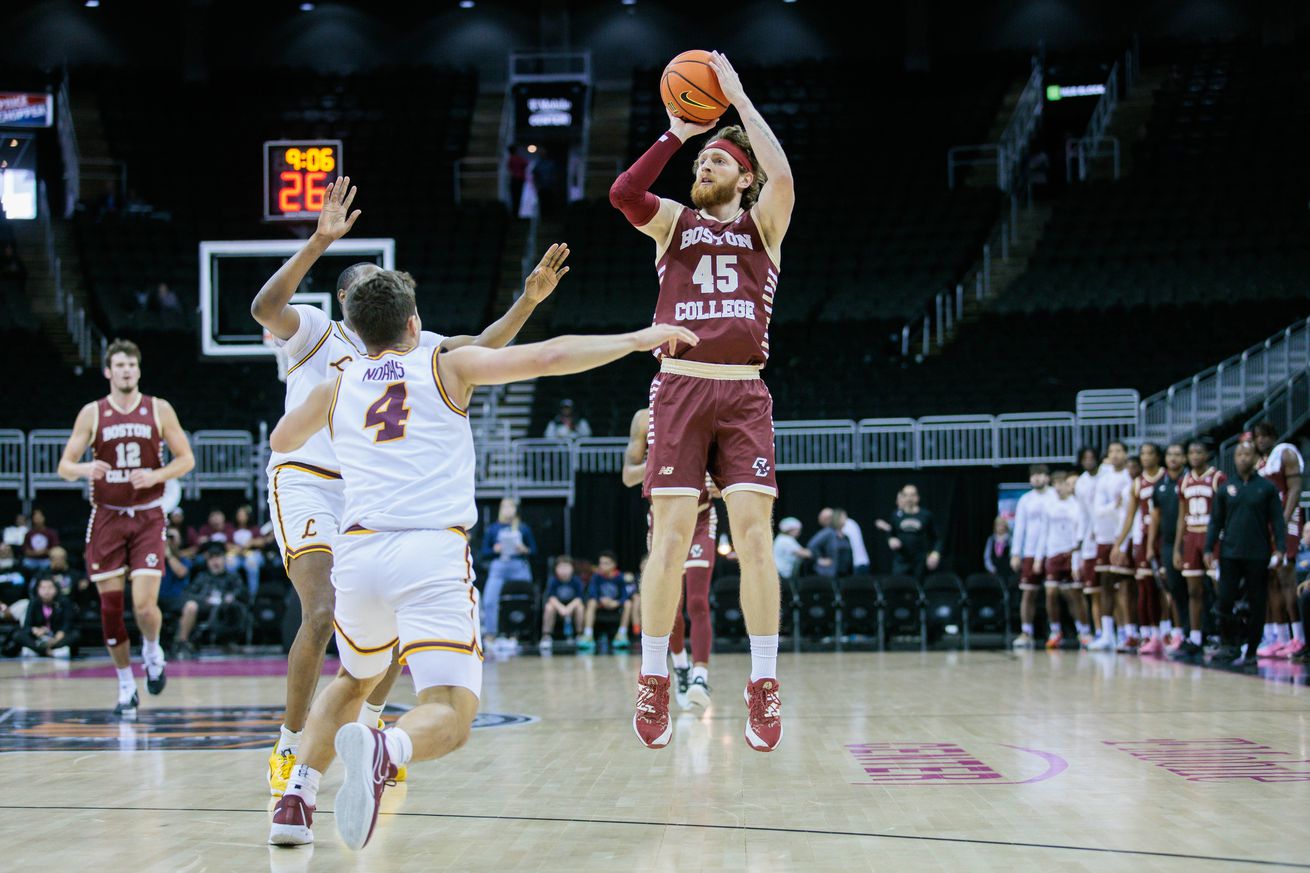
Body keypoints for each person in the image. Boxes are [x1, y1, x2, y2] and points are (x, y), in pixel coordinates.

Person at [264, 265, 695, 849]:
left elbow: (282, 441)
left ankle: (295, 799)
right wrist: (635, 339)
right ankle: (386, 748)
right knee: (452, 709)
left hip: (360, 553)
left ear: (357, 332)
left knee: (353, 678)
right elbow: (548, 357)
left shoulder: (338, 383)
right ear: (415, 324)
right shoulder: (446, 363)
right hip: (429, 551)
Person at [250, 177, 568, 796]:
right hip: (307, 481)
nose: (375, 284)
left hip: (371, 497)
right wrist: (318, 239)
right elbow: (265, 309)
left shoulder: (409, 341)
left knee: (387, 624)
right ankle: (290, 749)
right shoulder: (316, 328)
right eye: (364, 278)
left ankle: (365, 733)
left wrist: (527, 302)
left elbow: (482, 348)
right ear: (346, 299)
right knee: (321, 615)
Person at [610, 51, 793, 752]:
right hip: (680, 388)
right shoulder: (675, 225)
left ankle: (764, 681)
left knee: (754, 541)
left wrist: (739, 100)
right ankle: (655, 673)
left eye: (716, 163)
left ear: (742, 178)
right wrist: (680, 133)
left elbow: (783, 176)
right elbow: (625, 194)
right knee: (669, 542)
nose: (702, 170)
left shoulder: (764, 228)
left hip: (743, 391)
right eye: (700, 165)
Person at [57, 338, 195, 716]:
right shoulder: (93, 413)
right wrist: (86, 468)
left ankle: (152, 650)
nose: (126, 371)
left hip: (148, 514)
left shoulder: (158, 409)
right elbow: (64, 466)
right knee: (111, 609)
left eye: (131, 365)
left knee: (144, 606)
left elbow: (186, 460)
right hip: (107, 516)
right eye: (119, 366)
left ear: (138, 370)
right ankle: (124, 684)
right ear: (108, 371)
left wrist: (156, 476)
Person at [621, 405, 717, 703]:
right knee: (671, 605)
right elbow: (627, 476)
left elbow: (727, 472)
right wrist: (664, 464)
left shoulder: (708, 408)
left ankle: (701, 674)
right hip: (663, 520)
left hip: (700, 517)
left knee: (698, 600)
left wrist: (718, 480)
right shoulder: (643, 418)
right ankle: (682, 667)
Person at [1206, 439, 1286, 669]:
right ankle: (1229, 644)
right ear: (1234, 458)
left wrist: (1280, 548)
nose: (1243, 458)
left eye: (1247, 454)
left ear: (1255, 458)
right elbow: (1215, 522)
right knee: (1225, 600)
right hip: (1230, 553)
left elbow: (1278, 521)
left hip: (1258, 554)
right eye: (1239, 454)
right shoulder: (1225, 489)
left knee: (1257, 602)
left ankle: (1251, 650)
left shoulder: (1267, 488)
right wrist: (1209, 548)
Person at [1253, 421, 1305, 659]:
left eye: (1265, 436)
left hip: (1287, 519)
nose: (1260, 440)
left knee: (1286, 578)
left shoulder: (1286, 451)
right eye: (1257, 437)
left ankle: (1300, 638)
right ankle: (1280, 639)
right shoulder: (1260, 463)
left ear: (1274, 435)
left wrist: (1282, 520)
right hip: (1267, 525)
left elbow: (1295, 489)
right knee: (1272, 580)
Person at [1171, 440, 1225, 662]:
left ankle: (1224, 637)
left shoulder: (1218, 478)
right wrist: (1177, 548)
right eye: (1191, 451)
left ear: (1207, 454)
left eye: (1199, 451)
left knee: (1220, 590)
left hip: (1212, 536)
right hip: (1191, 536)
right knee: (1193, 590)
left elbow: (1224, 511)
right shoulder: (1184, 481)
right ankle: (1195, 637)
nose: (1194, 455)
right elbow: (1180, 518)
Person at [1112, 443, 1166, 654]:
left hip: (1165, 537)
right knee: (1145, 587)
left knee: (1165, 588)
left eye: (1149, 453)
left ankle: (1168, 631)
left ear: (1157, 456)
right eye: (1142, 453)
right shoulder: (1137, 484)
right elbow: (1129, 516)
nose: (1145, 457)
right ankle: (1147, 633)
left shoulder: (1166, 478)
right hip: (1144, 539)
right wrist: (1118, 544)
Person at [1040, 470, 1092, 649]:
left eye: (1063, 483)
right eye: (1056, 484)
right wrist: (1040, 558)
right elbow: (1043, 532)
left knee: (1075, 594)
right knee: (1051, 593)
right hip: (1053, 552)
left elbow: (1080, 534)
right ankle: (1055, 630)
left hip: (1071, 554)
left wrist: (1076, 558)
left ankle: (1083, 631)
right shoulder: (1049, 505)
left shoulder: (1076, 505)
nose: (1060, 487)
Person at [1088, 441, 1132, 651]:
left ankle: (1128, 632)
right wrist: (1113, 506)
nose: (1115, 454)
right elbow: (1097, 510)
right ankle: (1107, 633)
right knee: (1105, 586)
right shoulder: (1103, 480)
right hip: (1105, 537)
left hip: (1125, 537)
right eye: (1111, 451)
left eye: (1119, 451)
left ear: (1126, 454)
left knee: (1125, 586)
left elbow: (1131, 511)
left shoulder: (1130, 478)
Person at [479, 497, 537, 645]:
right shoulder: (493, 529)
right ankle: (491, 633)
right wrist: (495, 549)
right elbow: (483, 552)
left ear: (515, 510)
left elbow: (534, 551)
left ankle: (520, 632)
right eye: (504, 507)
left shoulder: (523, 528)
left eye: (510, 507)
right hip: (499, 565)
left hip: (519, 565)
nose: (508, 510)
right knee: (490, 600)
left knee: (523, 598)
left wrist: (524, 549)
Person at [1009, 465, 1053, 649]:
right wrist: (1015, 553)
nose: (1037, 479)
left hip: (1052, 550)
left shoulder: (1055, 496)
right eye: (1034, 475)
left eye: (1041, 475)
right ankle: (1026, 631)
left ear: (1048, 478)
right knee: (1028, 593)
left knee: (1054, 594)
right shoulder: (1025, 500)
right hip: (1030, 551)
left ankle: (1056, 631)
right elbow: (1019, 528)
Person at [175, 543, 249, 651]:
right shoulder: (202, 577)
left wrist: (231, 596)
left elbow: (242, 592)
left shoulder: (233, 576)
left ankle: (230, 641)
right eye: (212, 559)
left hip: (226, 609)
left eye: (218, 558)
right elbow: (189, 593)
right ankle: (182, 642)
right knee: (190, 605)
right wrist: (204, 599)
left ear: (224, 559)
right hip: (205, 607)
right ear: (207, 562)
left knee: (234, 608)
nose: (215, 562)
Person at [1150, 443, 1187, 654]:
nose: (1174, 458)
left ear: (1184, 459)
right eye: (1170, 454)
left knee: (1194, 589)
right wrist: (1149, 547)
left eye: (1178, 454)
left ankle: (1197, 633)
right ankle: (1179, 632)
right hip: (1167, 543)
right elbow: (1155, 519)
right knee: (1173, 590)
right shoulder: (1159, 486)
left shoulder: (1188, 481)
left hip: (1188, 542)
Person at [876, 485, 943, 581]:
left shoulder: (926, 515)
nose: (909, 498)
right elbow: (891, 533)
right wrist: (891, 540)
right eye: (906, 495)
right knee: (899, 588)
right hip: (901, 562)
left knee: (919, 590)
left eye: (912, 495)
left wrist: (935, 553)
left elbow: (937, 538)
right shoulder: (896, 516)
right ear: (902, 497)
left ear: (917, 497)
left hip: (920, 562)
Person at [580, 551, 633, 651]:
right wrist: (601, 600)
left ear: (614, 565)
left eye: (606, 563)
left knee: (628, 604)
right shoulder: (596, 577)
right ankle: (588, 635)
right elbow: (592, 593)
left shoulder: (620, 577)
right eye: (601, 563)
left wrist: (616, 602)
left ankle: (622, 634)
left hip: (615, 604)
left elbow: (625, 595)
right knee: (591, 602)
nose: (602, 566)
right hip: (600, 604)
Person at [16, 576, 79, 658]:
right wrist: (34, 630)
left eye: (50, 587)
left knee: (76, 635)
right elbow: (27, 626)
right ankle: (48, 652)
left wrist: (61, 632)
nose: (47, 591)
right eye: (43, 588)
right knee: (18, 634)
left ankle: (39, 651)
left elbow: (67, 623)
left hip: (56, 638)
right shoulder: (34, 603)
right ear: (38, 589)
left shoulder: (64, 602)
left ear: (56, 588)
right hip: (39, 639)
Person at [1073, 446, 1101, 614]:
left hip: (1111, 536)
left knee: (1117, 587)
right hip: (1092, 539)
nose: (1088, 460)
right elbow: (1083, 515)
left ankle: (1126, 632)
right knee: (1094, 590)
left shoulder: (1108, 474)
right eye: (1085, 457)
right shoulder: (1081, 483)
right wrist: (1080, 540)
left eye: (1091, 457)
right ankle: (1102, 631)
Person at [539, 555, 586, 652]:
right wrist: (561, 608)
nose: (564, 570)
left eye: (566, 567)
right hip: (558, 605)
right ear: (556, 569)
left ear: (572, 568)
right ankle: (546, 636)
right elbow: (551, 597)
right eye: (561, 567)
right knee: (549, 607)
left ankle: (579, 635)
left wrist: (568, 608)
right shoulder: (553, 580)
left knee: (580, 607)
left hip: (572, 605)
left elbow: (579, 598)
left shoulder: (576, 580)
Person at [231, 504, 267, 598]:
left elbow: (262, 542)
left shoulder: (254, 528)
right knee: (230, 564)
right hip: (237, 554)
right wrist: (236, 548)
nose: (240, 517)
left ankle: (252, 596)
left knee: (251, 564)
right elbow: (226, 543)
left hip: (252, 554)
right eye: (239, 515)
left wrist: (251, 543)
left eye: (243, 515)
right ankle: (233, 592)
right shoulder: (232, 529)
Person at [807, 509, 853, 578]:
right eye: (843, 517)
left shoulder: (845, 537)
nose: (846, 519)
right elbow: (812, 545)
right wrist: (819, 559)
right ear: (836, 518)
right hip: (829, 574)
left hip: (844, 573)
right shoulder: (829, 532)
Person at [21, 508, 59, 574]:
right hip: (32, 560)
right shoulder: (28, 534)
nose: (38, 520)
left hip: (47, 559)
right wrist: (37, 553)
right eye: (35, 518)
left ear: (44, 518)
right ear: (33, 519)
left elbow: (55, 549)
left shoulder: (51, 533)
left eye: (39, 517)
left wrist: (45, 552)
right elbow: (26, 551)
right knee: (25, 563)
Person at [773, 517, 810, 582]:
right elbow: (805, 554)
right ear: (790, 529)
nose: (799, 533)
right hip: (782, 575)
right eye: (797, 530)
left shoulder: (781, 538)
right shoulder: (786, 540)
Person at [983, 516, 1013, 585]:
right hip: (994, 572)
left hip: (1007, 572)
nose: (1000, 527)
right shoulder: (991, 539)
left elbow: (1012, 556)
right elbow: (987, 557)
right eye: (998, 525)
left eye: (1002, 525)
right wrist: (991, 568)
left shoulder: (1010, 540)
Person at [507, 144, 528, 215]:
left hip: (515, 179)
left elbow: (509, 168)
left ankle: (516, 213)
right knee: (518, 197)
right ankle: (518, 213)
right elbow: (526, 163)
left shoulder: (511, 159)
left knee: (515, 197)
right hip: (518, 179)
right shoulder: (516, 158)